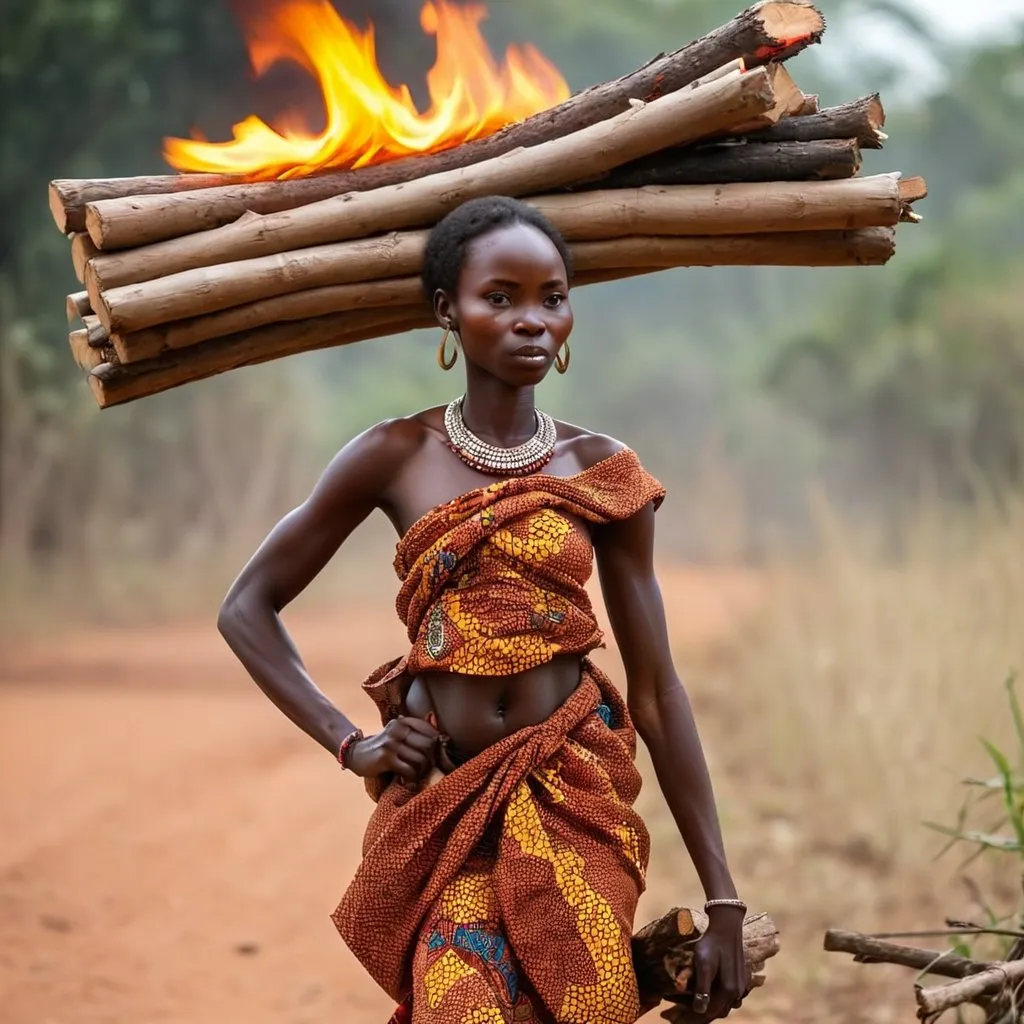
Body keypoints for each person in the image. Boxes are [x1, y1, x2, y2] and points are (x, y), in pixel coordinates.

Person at [217, 196, 749, 1024]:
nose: (532, 320)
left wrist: (724, 902)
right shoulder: (394, 455)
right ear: (447, 313)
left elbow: (655, 692)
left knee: (590, 1007)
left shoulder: (602, 471)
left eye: (553, 297)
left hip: (572, 794)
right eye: (499, 297)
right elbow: (247, 608)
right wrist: (351, 743)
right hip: (444, 800)